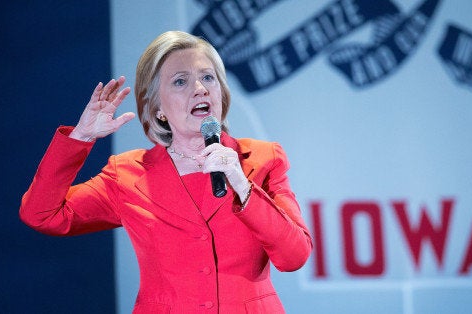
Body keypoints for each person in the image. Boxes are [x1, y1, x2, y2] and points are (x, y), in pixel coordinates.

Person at [20, 30, 312, 313]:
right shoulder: (128, 175)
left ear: (221, 91)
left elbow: (294, 256)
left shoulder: (263, 159)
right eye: (180, 81)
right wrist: (81, 137)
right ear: (158, 108)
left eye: (207, 77)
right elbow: (42, 215)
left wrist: (242, 185)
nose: (200, 88)